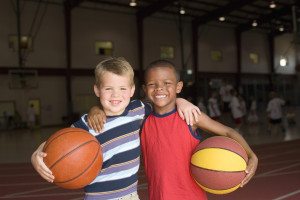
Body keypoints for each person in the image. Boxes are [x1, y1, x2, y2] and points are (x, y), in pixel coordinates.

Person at [31, 57, 200, 200]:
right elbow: (55, 144)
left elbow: (162, 101)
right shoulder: (88, 123)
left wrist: (181, 101)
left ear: (132, 90)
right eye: (108, 89)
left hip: (131, 196)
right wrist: (36, 154)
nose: (116, 95)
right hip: (99, 197)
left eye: (122, 89)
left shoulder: (138, 110)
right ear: (97, 90)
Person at [140, 60, 257, 200]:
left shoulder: (191, 116)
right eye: (152, 84)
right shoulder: (142, 120)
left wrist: (252, 156)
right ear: (145, 89)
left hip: (191, 196)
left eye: (167, 83)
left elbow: (228, 132)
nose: (159, 88)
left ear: (179, 87)